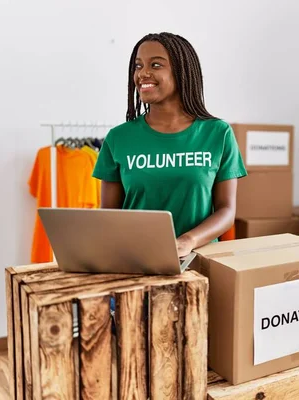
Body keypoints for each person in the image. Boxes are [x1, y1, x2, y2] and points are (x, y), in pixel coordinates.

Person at [92, 32, 247, 258]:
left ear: (182, 72)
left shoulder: (218, 133)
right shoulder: (118, 138)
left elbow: (226, 211)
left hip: (199, 261)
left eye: (155, 65)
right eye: (138, 66)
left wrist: (187, 241)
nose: (143, 73)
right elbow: (109, 215)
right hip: (134, 262)